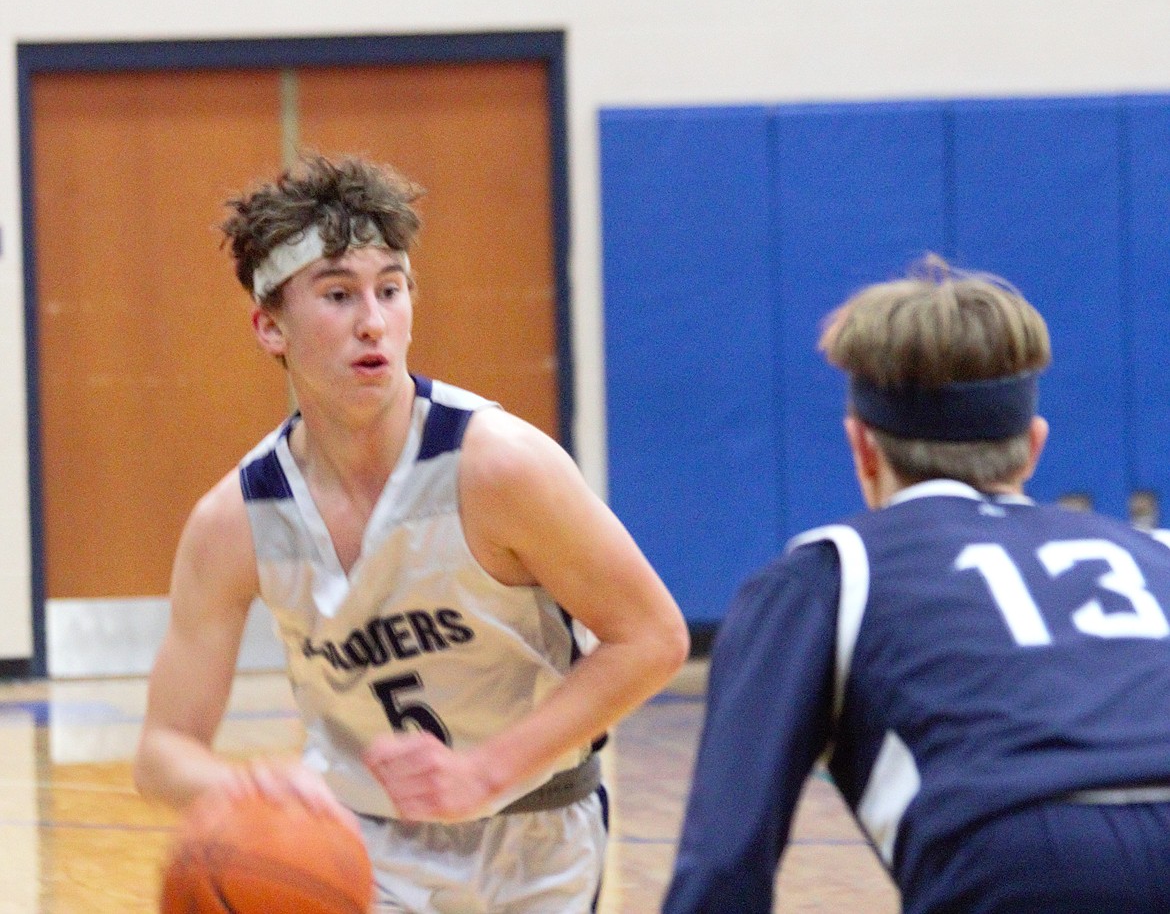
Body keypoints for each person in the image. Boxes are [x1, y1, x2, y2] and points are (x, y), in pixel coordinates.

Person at [134, 153, 690, 913]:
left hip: (535, 836)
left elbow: (653, 637)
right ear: (270, 326)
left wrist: (486, 772)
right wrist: (243, 785)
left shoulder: (499, 466)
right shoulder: (235, 521)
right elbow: (162, 752)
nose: (372, 320)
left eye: (390, 290)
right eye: (337, 294)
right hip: (362, 848)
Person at [663, 258, 1170, 914]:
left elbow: (726, 856)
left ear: (863, 448)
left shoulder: (827, 574)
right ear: (1032, 446)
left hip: (1026, 857)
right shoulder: (1154, 552)